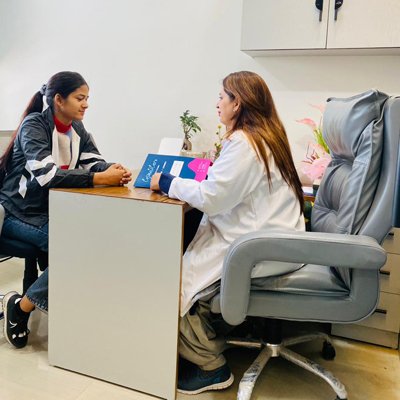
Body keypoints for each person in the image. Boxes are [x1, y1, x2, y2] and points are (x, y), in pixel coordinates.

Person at [150, 71, 305, 394]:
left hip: (254, 246)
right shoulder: (267, 136)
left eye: (222, 96)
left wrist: (167, 182)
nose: (217, 103)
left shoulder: (245, 143)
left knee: (170, 284)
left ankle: (210, 366)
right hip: (274, 240)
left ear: (238, 103)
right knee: (187, 265)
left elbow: (212, 197)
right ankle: (208, 339)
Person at [1, 71, 132, 349]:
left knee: (96, 242)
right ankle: (20, 308)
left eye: (87, 98)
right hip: (17, 214)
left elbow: (92, 162)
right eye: (80, 98)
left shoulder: (76, 128)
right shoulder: (33, 126)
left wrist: (111, 169)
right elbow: (47, 176)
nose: (86, 104)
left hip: (52, 212)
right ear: (59, 100)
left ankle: (50, 303)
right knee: (77, 248)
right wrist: (99, 178)